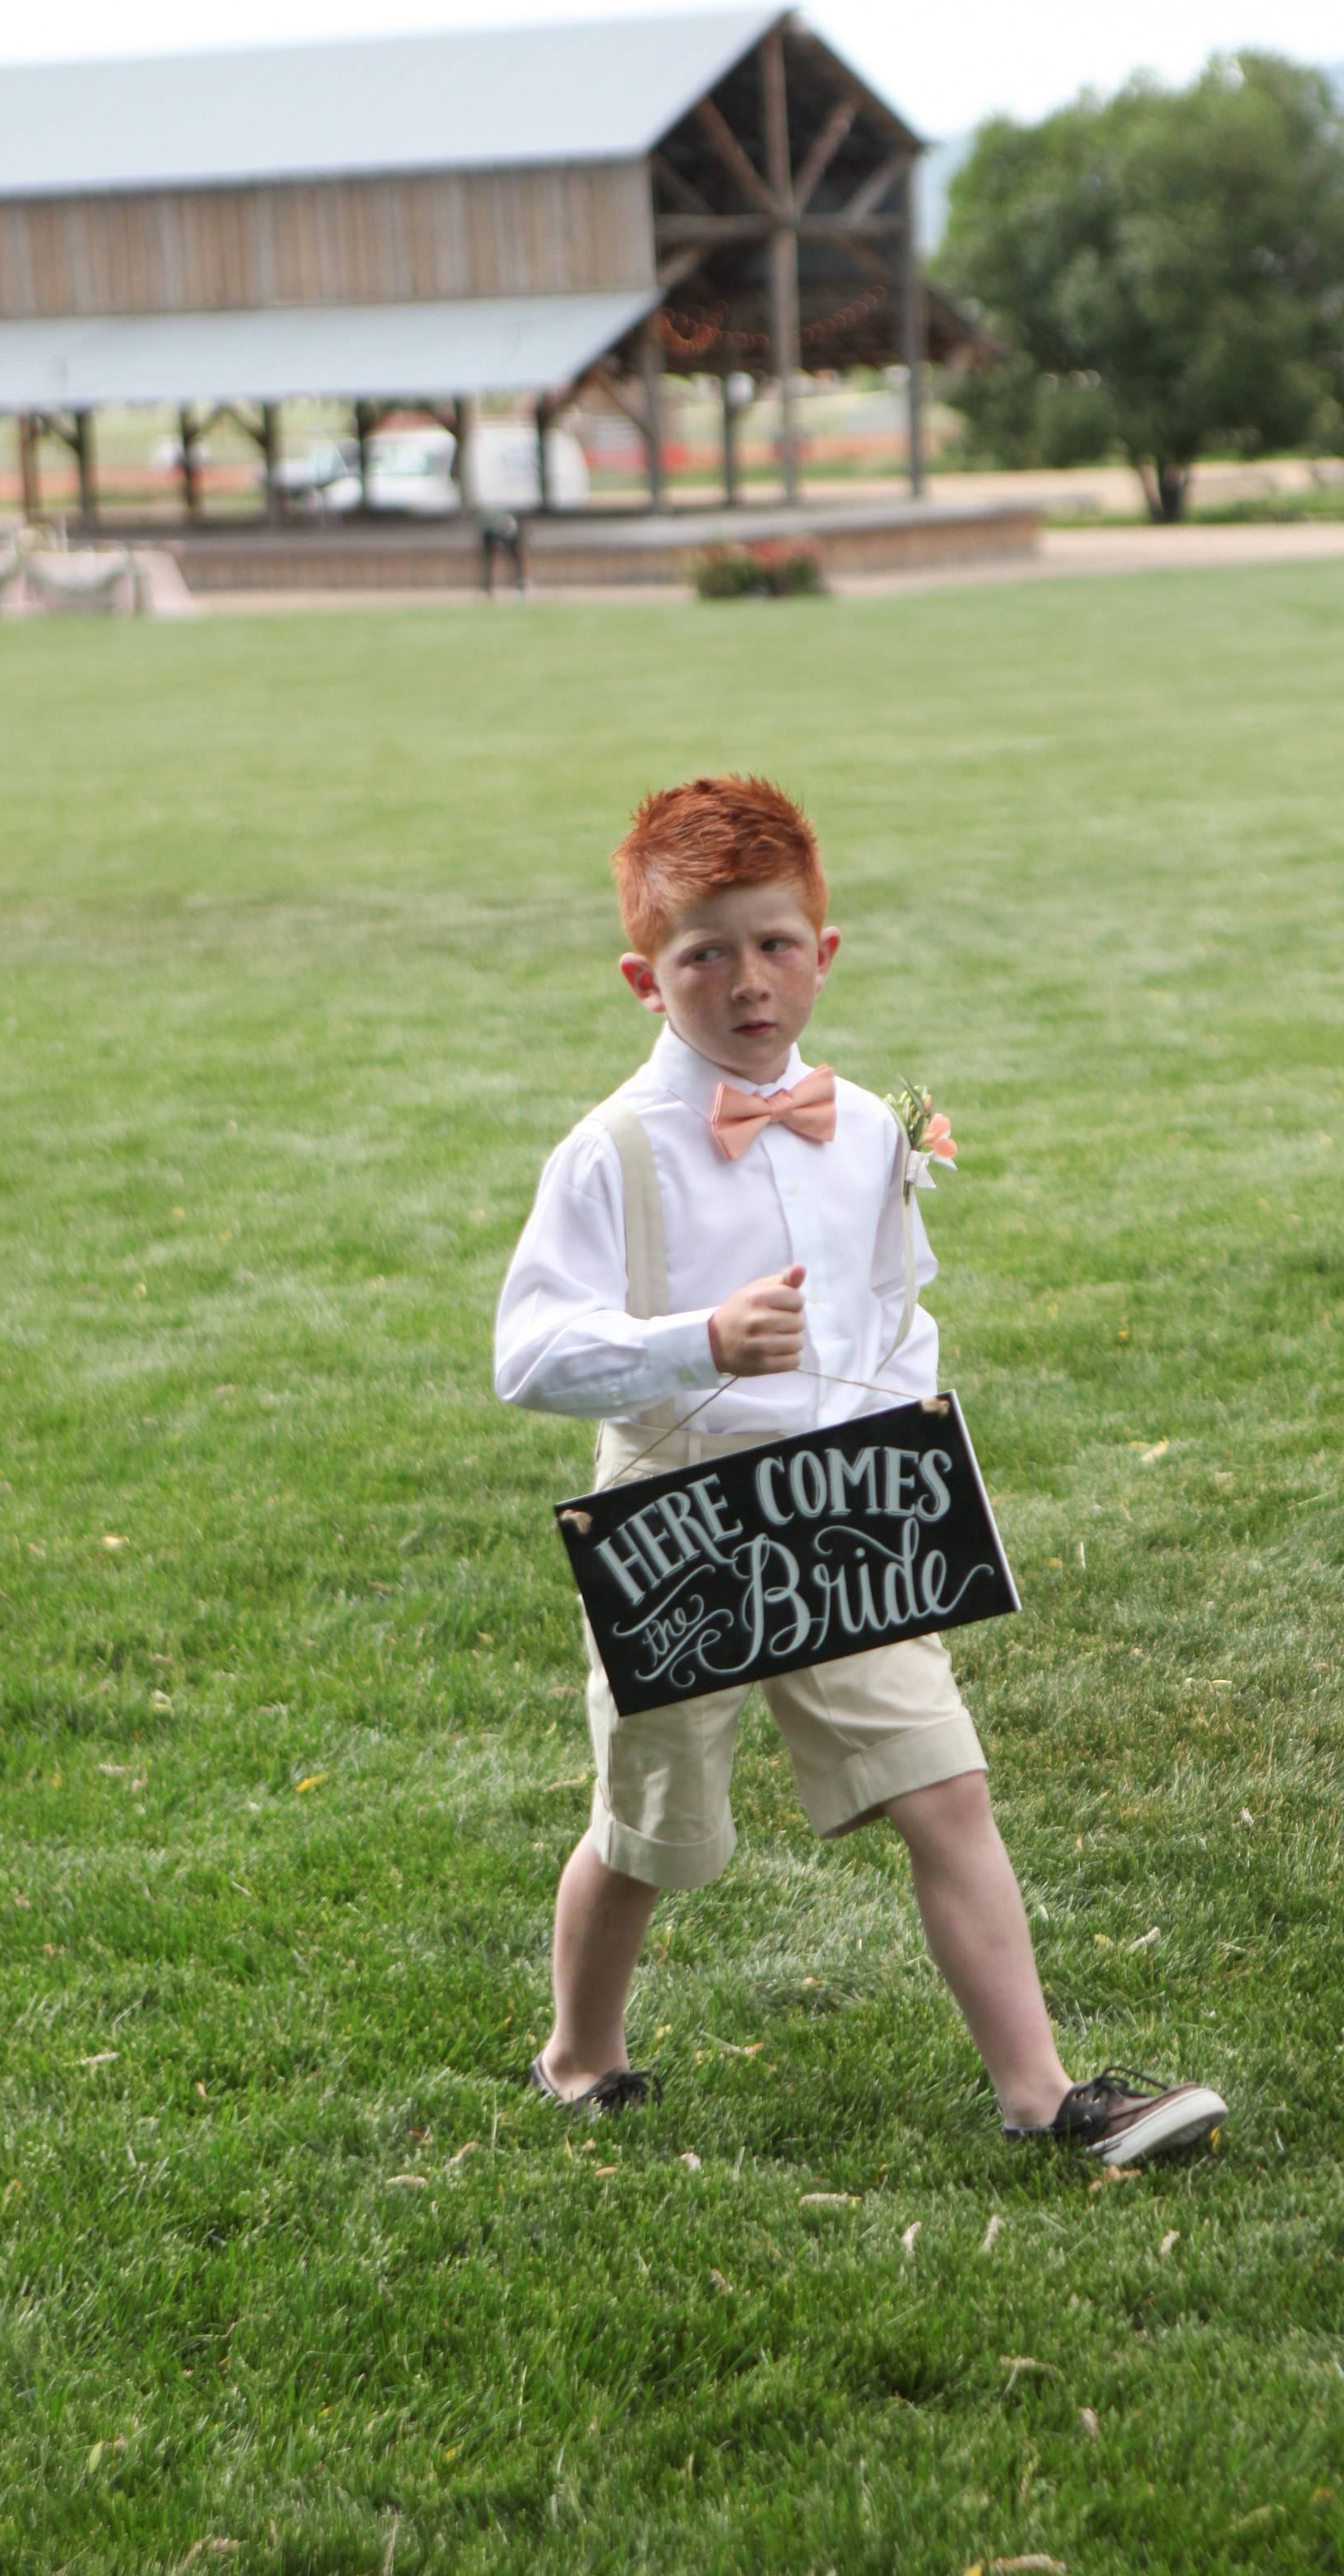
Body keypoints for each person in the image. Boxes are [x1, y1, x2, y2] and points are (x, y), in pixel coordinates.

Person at [493, 776, 1225, 2169]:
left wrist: (907, 1447)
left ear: (823, 953)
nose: (747, 983)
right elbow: (525, 1354)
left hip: (847, 1511)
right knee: (649, 1833)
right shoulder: (611, 1155)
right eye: (705, 954)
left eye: (775, 945)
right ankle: (581, 2055)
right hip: (680, 1517)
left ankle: (1047, 2094)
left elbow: (899, 1306)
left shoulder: (871, 1130)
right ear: (647, 979)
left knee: (945, 1785)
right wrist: (688, 1339)